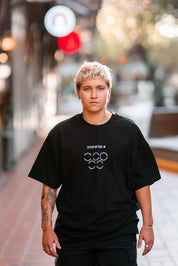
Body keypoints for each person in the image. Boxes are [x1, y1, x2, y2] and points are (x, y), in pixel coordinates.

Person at [28, 61, 161, 266]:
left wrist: (148, 225)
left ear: (108, 91)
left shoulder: (128, 131)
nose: (93, 95)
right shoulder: (61, 133)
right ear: (78, 92)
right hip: (73, 236)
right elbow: (50, 185)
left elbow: (141, 181)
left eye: (100, 88)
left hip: (119, 233)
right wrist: (47, 229)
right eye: (87, 89)